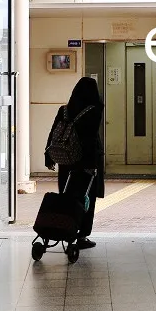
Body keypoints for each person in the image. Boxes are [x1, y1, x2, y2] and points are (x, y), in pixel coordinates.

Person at [45, 77, 104, 249]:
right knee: (86, 198)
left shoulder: (64, 110)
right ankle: (81, 236)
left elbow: (53, 133)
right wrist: (92, 164)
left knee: (67, 196)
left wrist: (49, 156)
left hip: (66, 161)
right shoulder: (94, 109)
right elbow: (90, 138)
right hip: (85, 162)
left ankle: (65, 228)